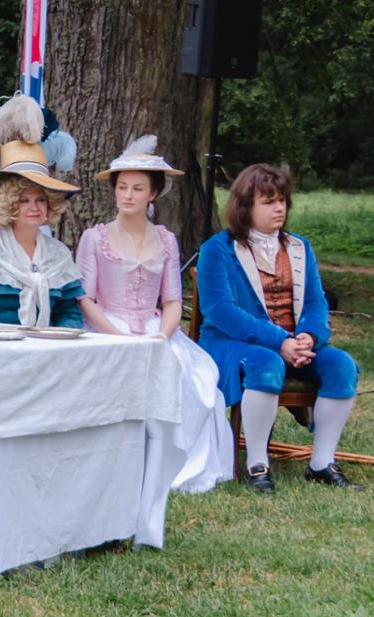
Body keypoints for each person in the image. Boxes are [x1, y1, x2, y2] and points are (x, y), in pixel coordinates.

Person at [76, 135, 233, 493]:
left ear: (153, 194)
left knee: (194, 380)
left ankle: (172, 464)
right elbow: (85, 299)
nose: (128, 195)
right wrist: (118, 337)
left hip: (155, 325)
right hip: (104, 326)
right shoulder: (94, 238)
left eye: (138, 188)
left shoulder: (166, 240)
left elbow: (173, 300)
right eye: (122, 187)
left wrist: (162, 335)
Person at [197, 164, 363, 492]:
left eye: (283, 200)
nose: (279, 208)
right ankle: (258, 464)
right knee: (266, 362)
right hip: (231, 343)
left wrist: (308, 337)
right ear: (246, 207)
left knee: (341, 366)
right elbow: (222, 312)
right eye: (269, 201)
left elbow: (316, 302)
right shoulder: (218, 249)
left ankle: (321, 463)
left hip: (294, 342)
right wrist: (281, 341)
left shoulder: (299, 247)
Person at [0, 96, 84, 328]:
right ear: (7, 203)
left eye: (41, 199)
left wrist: (58, 342)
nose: (34, 207)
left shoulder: (58, 255)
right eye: (23, 200)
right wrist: (5, 344)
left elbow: (70, 313)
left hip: (47, 355)